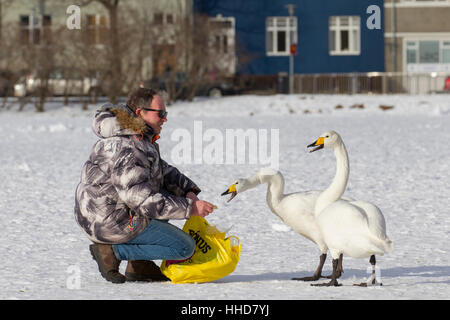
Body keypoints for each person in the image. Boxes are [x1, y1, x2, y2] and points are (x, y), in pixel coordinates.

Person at [74, 87, 215, 283]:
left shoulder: (138, 137)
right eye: (161, 113)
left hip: (110, 212)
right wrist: (190, 208)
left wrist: (187, 191)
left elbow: (160, 170)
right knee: (184, 248)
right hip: (108, 221)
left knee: (163, 194)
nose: (165, 119)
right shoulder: (129, 146)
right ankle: (112, 251)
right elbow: (142, 200)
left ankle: (138, 264)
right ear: (140, 112)